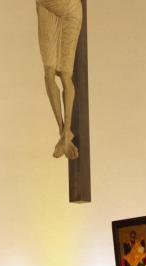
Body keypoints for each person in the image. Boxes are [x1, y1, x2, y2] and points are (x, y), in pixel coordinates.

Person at [36, 0, 82, 159]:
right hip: (49, 7)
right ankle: (64, 133)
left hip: (68, 9)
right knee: (50, 73)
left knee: (64, 75)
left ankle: (65, 132)